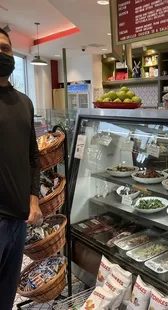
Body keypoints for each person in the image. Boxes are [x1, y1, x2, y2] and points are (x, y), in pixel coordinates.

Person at [0, 28, 42, 310]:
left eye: (5, 48)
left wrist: (34, 199)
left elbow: (32, 158)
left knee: (6, 294)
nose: (1, 54)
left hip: (19, 221)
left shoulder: (25, 102)